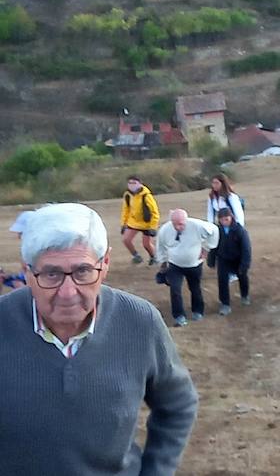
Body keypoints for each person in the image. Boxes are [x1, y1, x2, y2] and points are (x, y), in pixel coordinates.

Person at [1, 202, 198, 474]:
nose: (68, 292)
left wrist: (157, 470)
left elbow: (178, 403)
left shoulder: (140, 321)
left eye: (82, 271)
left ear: (104, 264)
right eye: (51, 274)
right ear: (26, 270)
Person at [155, 209, 218, 327]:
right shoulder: (165, 230)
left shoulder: (198, 226)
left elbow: (214, 230)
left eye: (181, 224)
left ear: (186, 220)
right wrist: (163, 263)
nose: (178, 227)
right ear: (171, 221)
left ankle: (198, 311)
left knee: (195, 288)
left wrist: (207, 248)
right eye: (175, 224)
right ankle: (179, 316)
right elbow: (161, 247)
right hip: (175, 265)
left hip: (194, 265)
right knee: (175, 289)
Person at [208, 207, 251, 316]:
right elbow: (213, 246)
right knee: (222, 280)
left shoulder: (240, 230)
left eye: (226, 219)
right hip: (223, 259)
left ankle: (245, 295)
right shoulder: (217, 231)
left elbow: (246, 249)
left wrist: (244, 265)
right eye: (222, 220)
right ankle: (225, 304)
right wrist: (211, 260)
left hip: (238, 259)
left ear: (231, 218)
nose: (224, 222)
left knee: (242, 277)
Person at [120, 175, 160, 265]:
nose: (131, 185)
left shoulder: (146, 196)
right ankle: (136, 256)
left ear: (140, 184)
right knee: (126, 240)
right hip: (133, 222)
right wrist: (124, 224)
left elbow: (154, 212)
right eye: (129, 183)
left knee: (146, 244)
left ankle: (153, 257)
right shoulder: (127, 195)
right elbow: (125, 210)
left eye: (134, 183)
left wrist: (153, 227)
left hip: (147, 223)